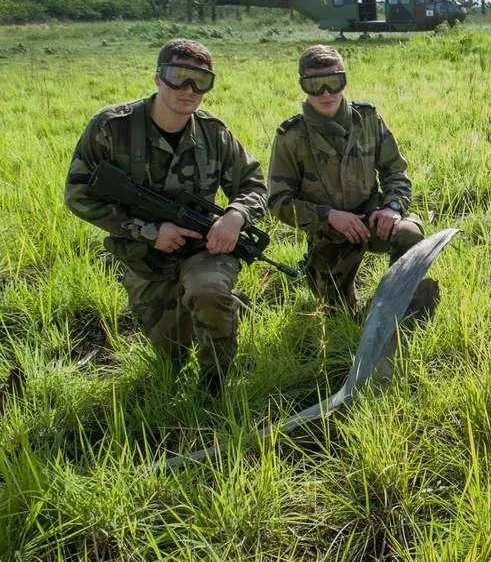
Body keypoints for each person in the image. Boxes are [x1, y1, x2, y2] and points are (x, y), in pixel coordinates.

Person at [64, 39, 267, 394]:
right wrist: (148, 230)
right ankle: (225, 308)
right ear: (158, 78)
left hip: (203, 249)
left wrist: (235, 215)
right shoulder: (112, 128)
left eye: (200, 81)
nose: (188, 90)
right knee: (172, 354)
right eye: (178, 77)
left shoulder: (214, 133)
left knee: (207, 289)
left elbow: (253, 182)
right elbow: (78, 193)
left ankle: (215, 379)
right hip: (145, 256)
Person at [267, 44, 425, 313]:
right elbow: (279, 201)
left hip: (372, 219)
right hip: (328, 234)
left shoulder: (368, 119)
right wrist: (329, 216)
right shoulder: (290, 136)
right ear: (303, 86)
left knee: (410, 233)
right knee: (337, 312)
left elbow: (395, 171)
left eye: (334, 82)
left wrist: (392, 207)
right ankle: (319, 273)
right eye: (315, 84)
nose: (326, 93)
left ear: (344, 80)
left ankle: (400, 306)